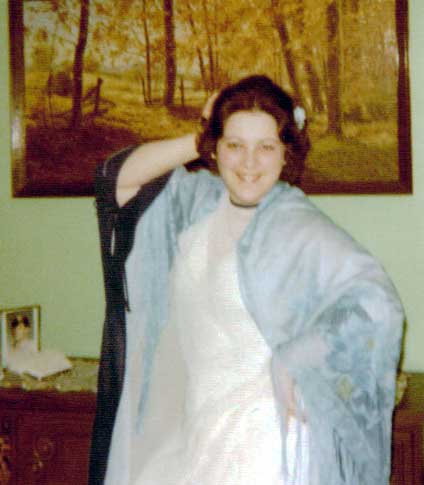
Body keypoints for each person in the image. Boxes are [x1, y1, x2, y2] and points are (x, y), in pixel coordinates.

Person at [89, 75, 404, 484]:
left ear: (286, 153)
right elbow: (114, 180)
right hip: (194, 429)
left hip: (263, 440)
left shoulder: (299, 226)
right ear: (215, 149)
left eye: (266, 147)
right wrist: (199, 136)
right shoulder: (195, 202)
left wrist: (296, 357)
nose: (249, 162)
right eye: (234, 145)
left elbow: (378, 304)